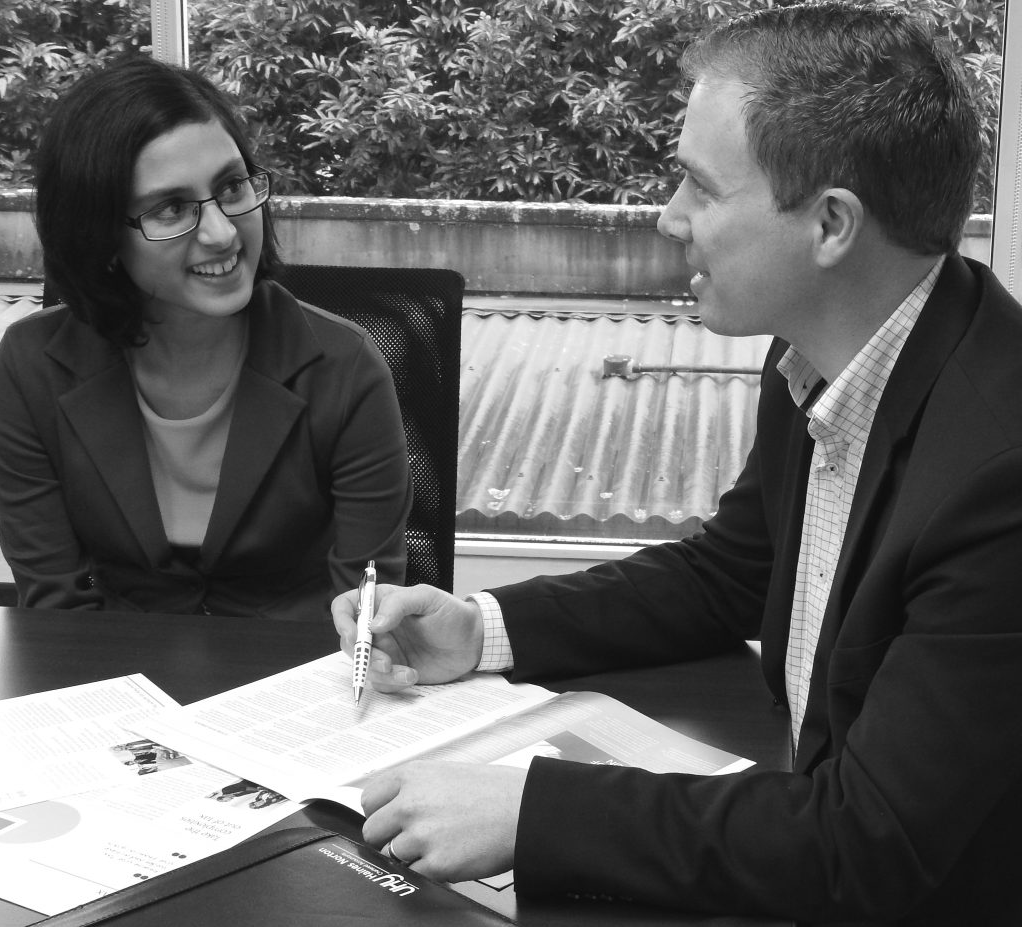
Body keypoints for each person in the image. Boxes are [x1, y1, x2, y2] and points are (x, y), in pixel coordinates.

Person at [332, 3, 1022, 924]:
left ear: (830, 226)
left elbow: (873, 843)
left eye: (699, 186)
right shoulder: (826, 352)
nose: (668, 219)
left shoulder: (1000, 472)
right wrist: (479, 630)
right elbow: (729, 571)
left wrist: (536, 809)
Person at [0, 55, 412, 620]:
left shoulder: (345, 367)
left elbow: (366, 609)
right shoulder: (30, 367)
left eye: (232, 186)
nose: (222, 233)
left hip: (300, 681)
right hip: (119, 679)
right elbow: (56, 605)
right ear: (97, 233)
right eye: (171, 207)